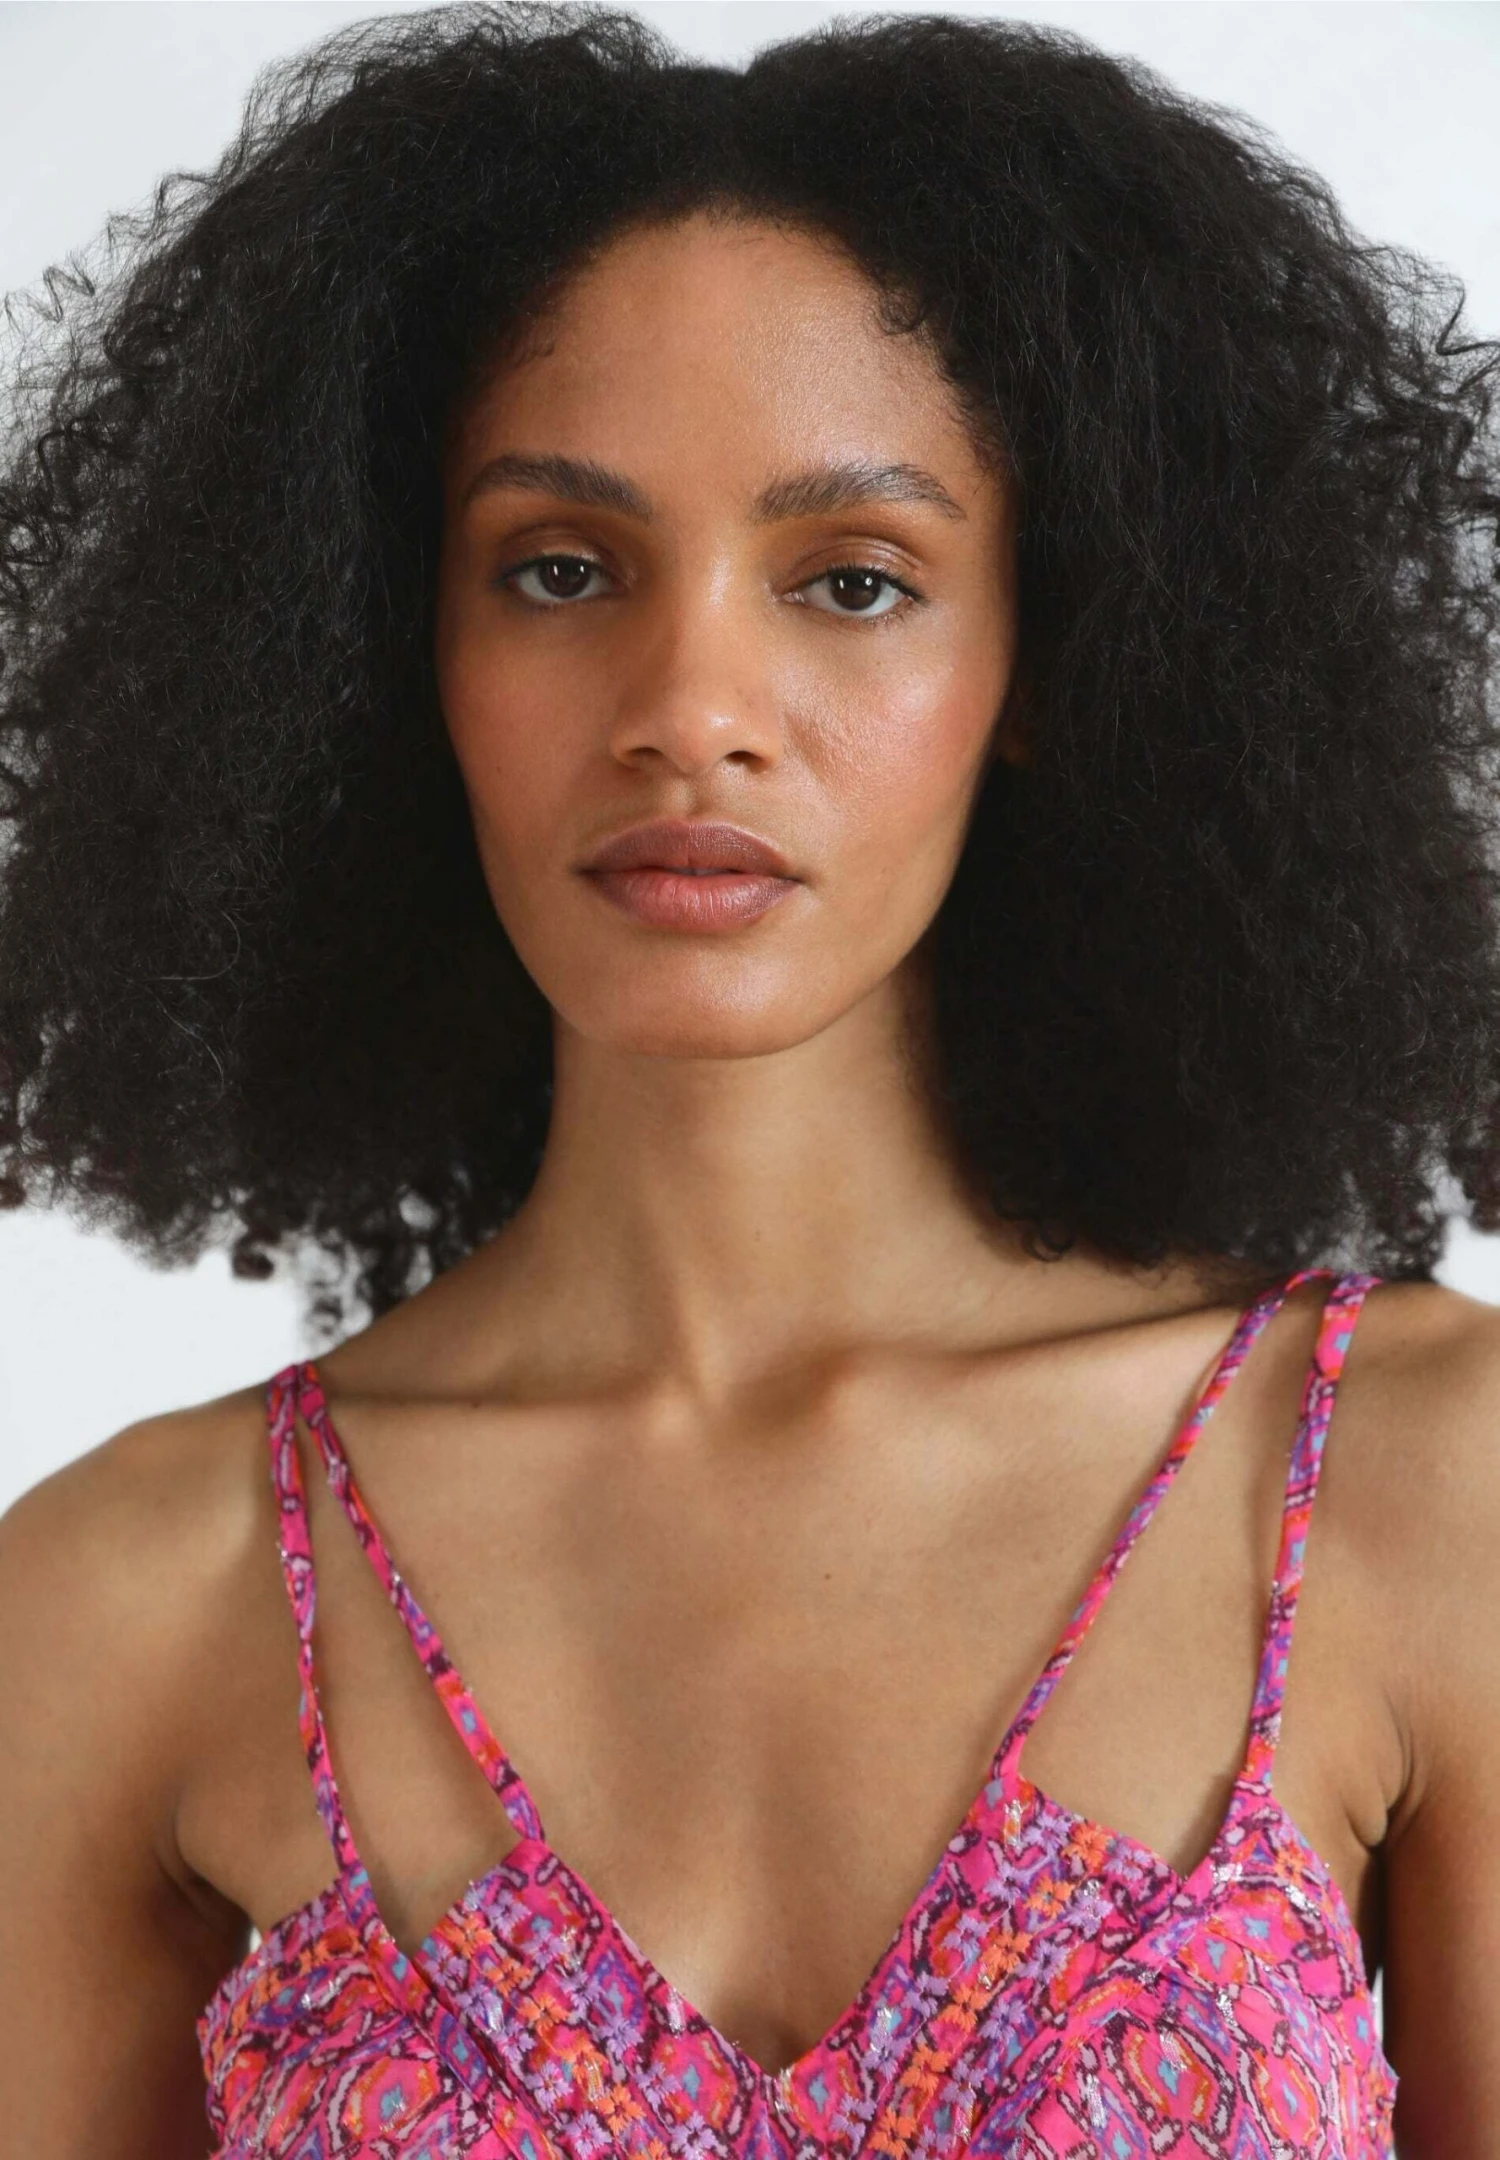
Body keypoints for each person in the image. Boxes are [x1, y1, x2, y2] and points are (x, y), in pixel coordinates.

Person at [0, 4, 1496, 2152]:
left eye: (855, 582)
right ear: (384, 647)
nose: (691, 705)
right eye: (560, 570)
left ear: (1046, 660)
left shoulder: (1414, 1485)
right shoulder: (125, 1604)